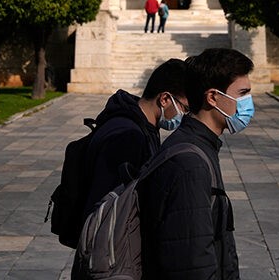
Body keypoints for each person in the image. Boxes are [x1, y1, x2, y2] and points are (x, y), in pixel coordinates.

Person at [138, 48, 255, 279]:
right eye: (242, 94)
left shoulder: (200, 146)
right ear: (212, 97)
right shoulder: (190, 164)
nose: (248, 103)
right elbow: (192, 262)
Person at [80, 59, 189, 219]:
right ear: (164, 99)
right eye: (185, 108)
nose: (185, 115)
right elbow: (106, 204)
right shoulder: (128, 136)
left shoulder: (144, 126)